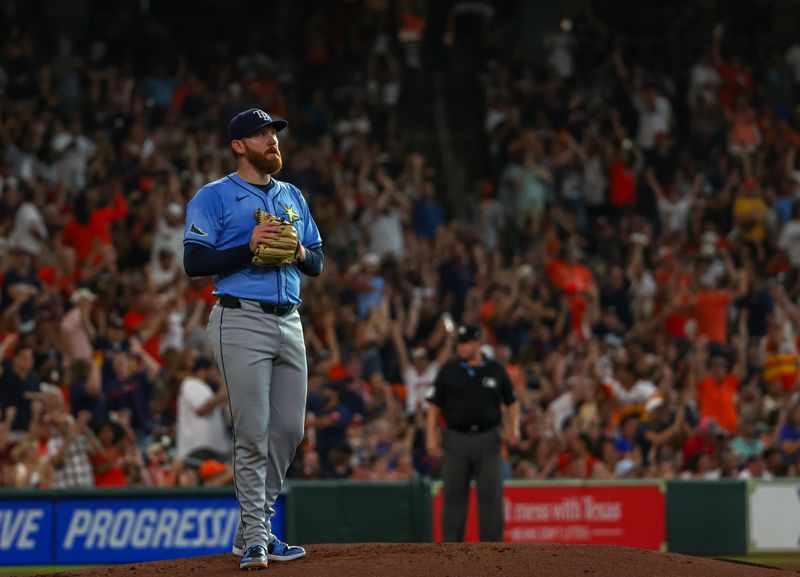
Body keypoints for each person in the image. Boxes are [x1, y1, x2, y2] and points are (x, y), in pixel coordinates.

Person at [183, 108, 323, 570]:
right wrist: (249, 245)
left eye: (274, 133)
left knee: (289, 431)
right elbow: (195, 262)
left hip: (290, 320)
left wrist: (300, 250)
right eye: (261, 134)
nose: (272, 140)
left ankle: (250, 532)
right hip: (239, 318)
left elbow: (317, 260)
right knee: (253, 430)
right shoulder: (215, 196)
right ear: (238, 146)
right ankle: (259, 538)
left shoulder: (292, 196)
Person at [425, 324, 519, 542]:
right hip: (456, 439)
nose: (462, 348)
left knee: (491, 497)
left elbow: (512, 401)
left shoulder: (495, 369)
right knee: (453, 497)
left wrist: (513, 428)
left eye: (466, 343)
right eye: (460, 343)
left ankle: (492, 552)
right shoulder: (449, 370)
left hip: (488, 439)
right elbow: (433, 405)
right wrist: (431, 436)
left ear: (478, 343)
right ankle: (452, 551)